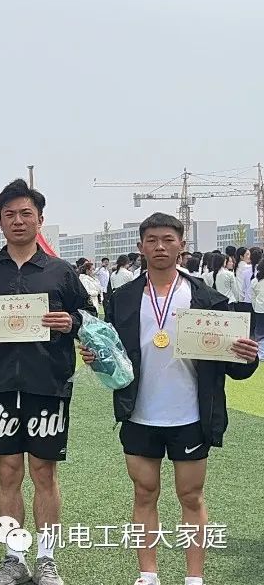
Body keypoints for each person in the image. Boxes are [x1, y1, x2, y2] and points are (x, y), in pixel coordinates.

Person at [79, 212, 258, 585]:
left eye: (168, 239)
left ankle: (194, 577)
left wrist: (247, 355)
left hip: (190, 415)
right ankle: (148, 574)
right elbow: (114, 355)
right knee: (144, 494)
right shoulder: (123, 298)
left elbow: (234, 367)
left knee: (191, 496)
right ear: (141, 247)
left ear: (181, 246)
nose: (160, 246)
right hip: (139, 413)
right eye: (152, 240)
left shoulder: (207, 298)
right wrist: (97, 358)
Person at [0, 180, 95, 585]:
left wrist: (72, 321)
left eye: (25, 214)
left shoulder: (61, 272)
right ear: (0, 221)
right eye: (10, 214)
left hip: (48, 384)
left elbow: (90, 319)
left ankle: (46, 559)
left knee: (44, 472)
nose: (17, 221)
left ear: (39, 220)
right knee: (8, 472)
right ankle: (13, 557)